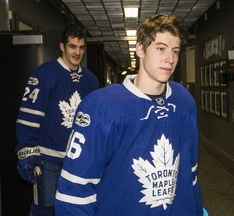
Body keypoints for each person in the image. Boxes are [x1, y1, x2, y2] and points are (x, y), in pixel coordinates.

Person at [55, 14, 207, 216]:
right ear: (140, 50)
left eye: (175, 51)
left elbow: (190, 173)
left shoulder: (184, 101)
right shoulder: (101, 106)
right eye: (161, 49)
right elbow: (74, 193)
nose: (170, 59)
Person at [15, 25, 100, 216]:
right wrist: (27, 152)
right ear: (62, 46)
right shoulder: (43, 75)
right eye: (72, 46)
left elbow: (95, 123)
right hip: (48, 161)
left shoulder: (91, 80)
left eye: (81, 47)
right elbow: (28, 117)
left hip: (78, 161)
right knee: (45, 210)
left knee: (77, 209)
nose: (77, 52)